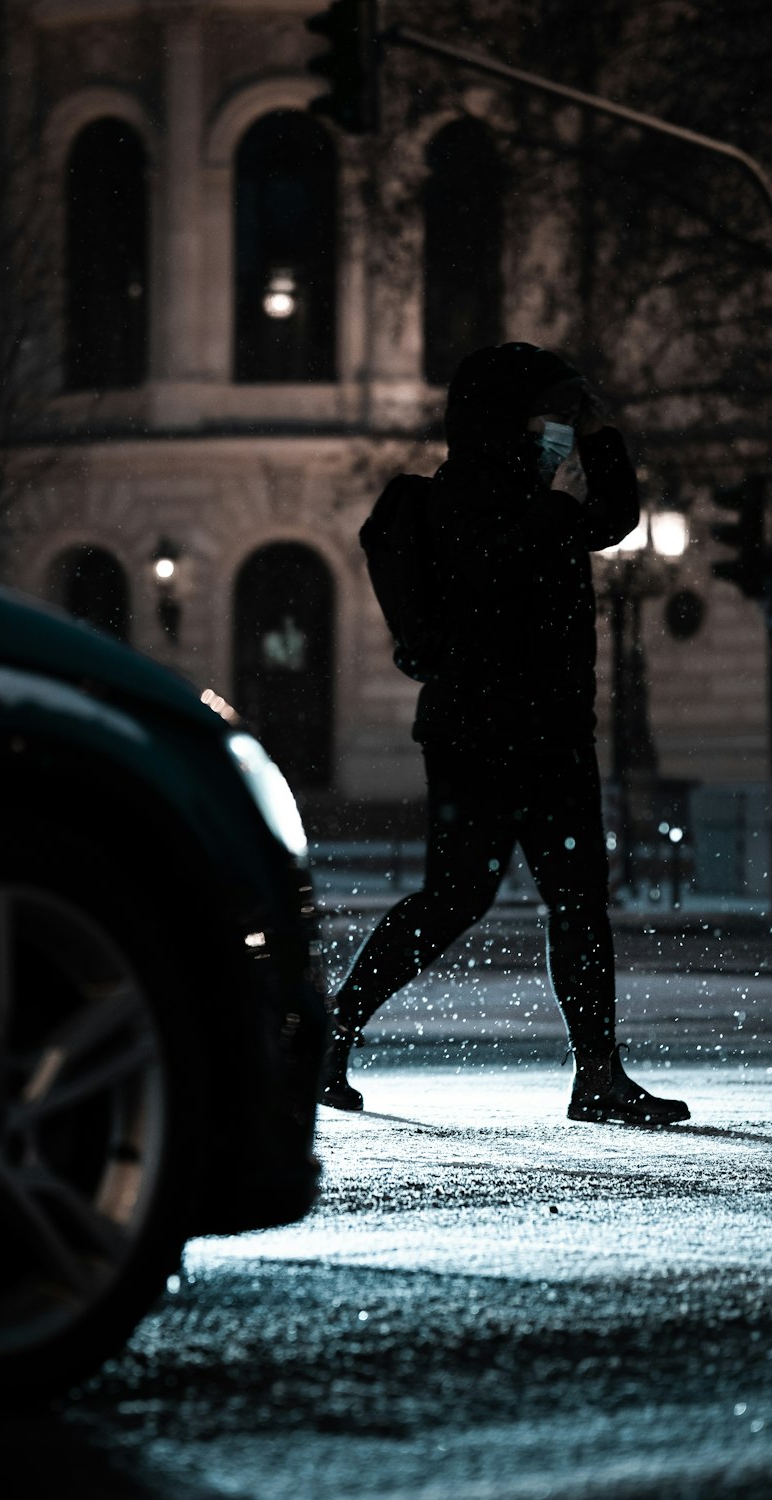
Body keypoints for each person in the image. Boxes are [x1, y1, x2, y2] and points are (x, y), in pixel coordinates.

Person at [323, 341, 690, 1126]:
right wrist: (556, 496)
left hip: (554, 731)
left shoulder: (536, 493)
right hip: (481, 734)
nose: (552, 431)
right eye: (545, 416)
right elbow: (493, 575)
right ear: (497, 422)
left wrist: (596, 434)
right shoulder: (457, 498)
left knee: (579, 899)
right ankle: (331, 1032)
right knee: (455, 899)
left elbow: (616, 516)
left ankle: (598, 1073)